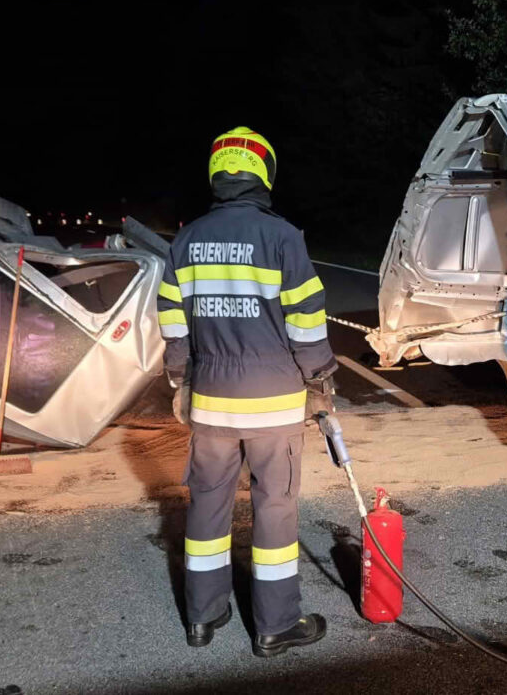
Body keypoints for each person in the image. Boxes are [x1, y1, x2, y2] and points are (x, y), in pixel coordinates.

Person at [158, 126, 337, 657]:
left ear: (217, 173)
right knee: (274, 506)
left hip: (212, 399)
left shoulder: (186, 240)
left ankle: (202, 616)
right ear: (264, 173)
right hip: (274, 404)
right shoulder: (282, 237)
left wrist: (180, 380)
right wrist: (320, 381)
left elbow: (173, 323)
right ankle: (275, 625)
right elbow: (306, 322)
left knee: (208, 504)